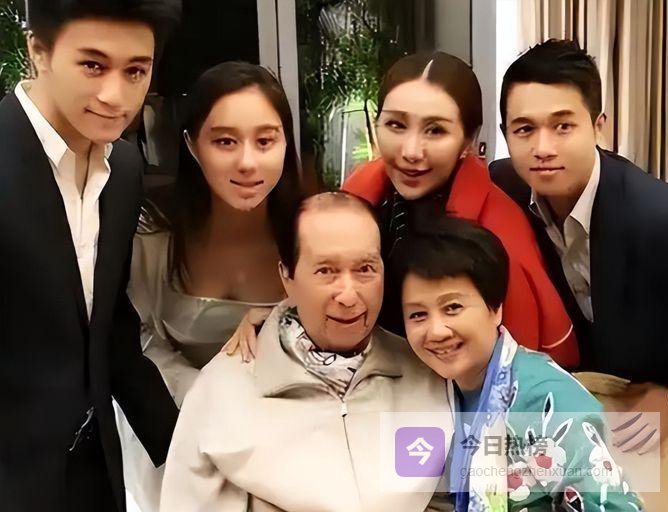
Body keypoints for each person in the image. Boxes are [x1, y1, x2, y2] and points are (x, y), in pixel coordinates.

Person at [159, 192, 452, 511]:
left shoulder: (428, 374)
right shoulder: (224, 390)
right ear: (287, 276)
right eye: (326, 271)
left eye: (365, 269)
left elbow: (453, 496)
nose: (348, 295)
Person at [0, 1, 181, 511]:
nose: (115, 96)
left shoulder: (123, 168)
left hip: (95, 471)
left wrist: (184, 450)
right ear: (38, 51)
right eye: (93, 65)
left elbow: (109, 330)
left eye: (136, 71)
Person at [493, 39, 668, 509]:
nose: (542, 148)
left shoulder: (660, 216)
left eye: (563, 126)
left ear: (599, 126)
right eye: (524, 129)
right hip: (572, 401)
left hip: (645, 402)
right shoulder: (504, 187)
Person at [117, 60, 304, 511]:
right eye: (224, 141)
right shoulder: (153, 235)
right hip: (176, 433)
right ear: (191, 145)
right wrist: (210, 397)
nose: (247, 162)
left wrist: (280, 318)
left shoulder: (313, 234)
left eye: (265, 141)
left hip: (290, 440)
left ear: (286, 143)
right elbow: (138, 339)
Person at [341, 51, 578, 368]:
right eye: (396, 125)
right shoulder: (359, 200)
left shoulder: (498, 235)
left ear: (469, 140)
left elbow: (515, 371)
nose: (411, 151)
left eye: (435, 130)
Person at [391, 217, 642, 511]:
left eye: (453, 307)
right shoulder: (430, 390)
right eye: (418, 315)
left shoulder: (545, 400)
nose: (436, 331)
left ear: (495, 308)